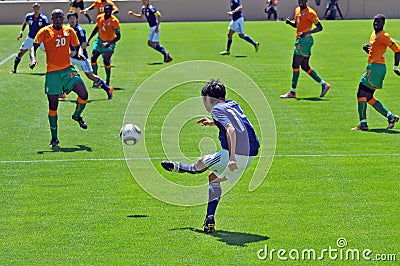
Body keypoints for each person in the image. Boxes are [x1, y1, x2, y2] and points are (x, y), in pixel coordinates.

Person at [161, 79, 260, 233]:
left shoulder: (216, 110)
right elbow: (238, 122)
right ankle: (210, 218)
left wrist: (232, 158)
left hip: (235, 154)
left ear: (209, 98)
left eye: (204, 99)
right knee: (213, 178)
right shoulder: (232, 103)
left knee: (201, 162)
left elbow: (231, 129)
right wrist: (213, 123)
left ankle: (182, 168)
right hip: (251, 154)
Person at [30, 9, 89, 148]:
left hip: (68, 70)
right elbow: (34, 47)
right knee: (53, 106)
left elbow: (77, 46)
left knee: (84, 94)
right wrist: (33, 59)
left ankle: (77, 115)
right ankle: (54, 139)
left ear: (63, 18)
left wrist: (80, 53)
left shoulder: (69, 31)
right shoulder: (45, 31)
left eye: (59, 17)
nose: (57, 19)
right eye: (55, 17)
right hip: (52, 74)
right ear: (51, 18)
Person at [351, 14, 400, 131]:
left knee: (360, 93)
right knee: (368, 96)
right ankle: (390, 116)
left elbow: (397, 50)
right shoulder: (374, 35)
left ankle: (363, 125)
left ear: (383, 23)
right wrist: (367, 50)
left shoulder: (384, 36)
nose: (376, 23)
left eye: (378, 22)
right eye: (375, 21)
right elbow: (375, 50)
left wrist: (395, 67)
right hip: (373, 66)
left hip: (376, 68)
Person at [281, 0, 331, 99]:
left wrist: (307, 32)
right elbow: (297, 25)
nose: (301, 2)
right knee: (305, 66)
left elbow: (320, 27)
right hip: (301, 39)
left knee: (295, 65)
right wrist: (289, 23)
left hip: (305, 41)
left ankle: (292, 92)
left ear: (306, 1)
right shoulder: (297, 11)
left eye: (303, 0)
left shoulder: (311, 13)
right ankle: (324, 84)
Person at [67, 12, 113, 100]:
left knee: (90, 76)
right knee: (64, 71)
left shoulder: (80, 30)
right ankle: (63, 92)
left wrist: (76, 52)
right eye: (70, 18)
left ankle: (107, 89)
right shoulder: (67, 29)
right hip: (71, 57)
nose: (72, 20)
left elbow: (84, 44)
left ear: (77, 19)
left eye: (74, 18)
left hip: (81, 58)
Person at [10, 3, 49, 74]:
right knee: (21, 53)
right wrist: (21, 32)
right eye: (34, 7)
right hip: (30, 38)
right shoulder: (29, 16)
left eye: (37, 7)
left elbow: (48, 28)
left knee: (50, 53)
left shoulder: (43, 18)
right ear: (33, 8)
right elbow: (25, 23)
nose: (36, 9)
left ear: (39, 8)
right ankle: (14, 69)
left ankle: (55, 69)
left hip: (41, 40)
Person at [87, 4, 121, 86]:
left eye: (109, 10)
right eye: (106, 10)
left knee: (106, 61)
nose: (108, 11)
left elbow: (118, 36)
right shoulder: (100, 17)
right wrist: (89, 39)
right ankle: (95, 81)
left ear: (111, 11)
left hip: (109, 43)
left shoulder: (114, 21)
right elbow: (96, 28)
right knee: (93, 58)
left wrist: (109, 43)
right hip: (99, 41)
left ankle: (107, 81)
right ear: (104, 10)